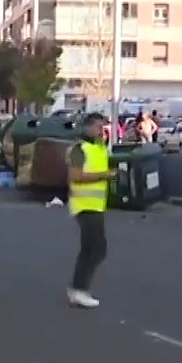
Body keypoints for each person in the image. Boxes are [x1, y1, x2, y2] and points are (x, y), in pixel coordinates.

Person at [65, 112, 114, 309]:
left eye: (103, 127)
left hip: (95, 204)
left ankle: (78, 288)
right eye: (98, 127)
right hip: (84, 204)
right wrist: (105, 175)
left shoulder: (98, 147)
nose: (101, 131)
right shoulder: (79, 149)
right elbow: (76, 176)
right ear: (87, 127)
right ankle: (79, 289)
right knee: (96, 248)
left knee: (91, 248)